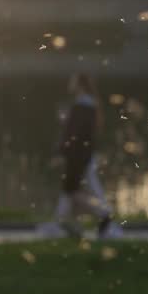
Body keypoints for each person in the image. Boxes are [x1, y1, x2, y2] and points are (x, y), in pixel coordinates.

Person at [44, 74, 119, 239]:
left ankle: (105, 217)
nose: (69, 84)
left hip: (79, 157)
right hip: (82, 156)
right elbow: (78, 133)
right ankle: (61, 223)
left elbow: (74, 134)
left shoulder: (82, 107)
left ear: (79, 85)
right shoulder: (86, 106)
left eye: (72, 81)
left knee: (72, 190)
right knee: (71, 191)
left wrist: (62, 152)